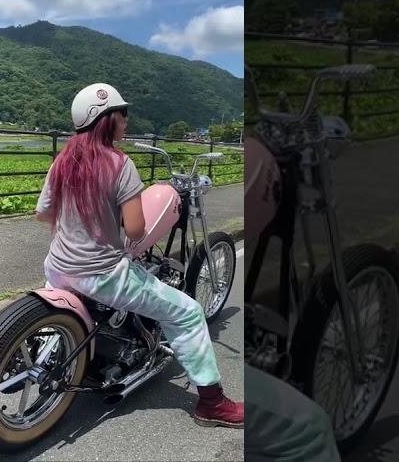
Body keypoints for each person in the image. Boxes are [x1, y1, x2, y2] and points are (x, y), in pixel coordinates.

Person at [35, 83, 244, 428]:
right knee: (190, 313)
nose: (126, 121)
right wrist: (115, 213)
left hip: (57, 268)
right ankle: (212, 404)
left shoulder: (63, 161)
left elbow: (45, 214)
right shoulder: (120, 164)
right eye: (122, 114)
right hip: (102, 275)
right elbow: (135, 230)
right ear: (106, 120)